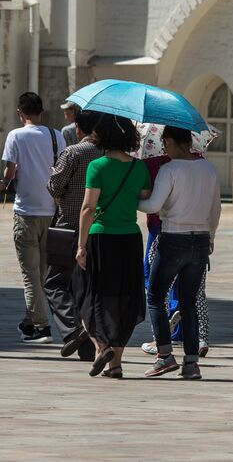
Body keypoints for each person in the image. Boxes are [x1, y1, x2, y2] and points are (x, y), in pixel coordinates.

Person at [139, 126, 222, 380]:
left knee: (155, 296)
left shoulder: (170, 169)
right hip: (200, 239)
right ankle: (191, 362)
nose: (164, 147)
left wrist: (130, 200)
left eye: (166, 143)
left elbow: (153, 205)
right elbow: (216, 209)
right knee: (188, 302)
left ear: (174, 142)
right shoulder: (208, 169)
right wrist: (211, 236)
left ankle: (164, 355)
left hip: (173, 237)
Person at [75, 114, 151, 379]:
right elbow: (143, 197)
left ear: (101, 136)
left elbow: (88, 208)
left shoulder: (97, 166)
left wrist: (80, 245)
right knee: (124, 297)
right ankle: (116, 364)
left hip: (101, 236)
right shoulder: (139, 168)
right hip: (130, 237)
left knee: (91, 293)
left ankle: (102, 346)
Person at [2, 91, 65, 343]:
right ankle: (29, 323)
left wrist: (7, 180)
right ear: (42, 112)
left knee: (30, 274)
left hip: (26, 211)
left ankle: (42, 327)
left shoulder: (15, 136)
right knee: (42, 273)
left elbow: (9, 171)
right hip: (51, 211)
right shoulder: (56, 135)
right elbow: (61, 169)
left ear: (20, 113)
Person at [46, 109, 103, 361]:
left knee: (55, 282)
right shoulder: (106, 154)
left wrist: (53, 175)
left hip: (68, 225)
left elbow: (54, 187)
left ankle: (72, 329)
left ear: (78, 128)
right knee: (87, 287)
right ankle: (88, 346)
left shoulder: (72, 153)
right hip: (97, 230)